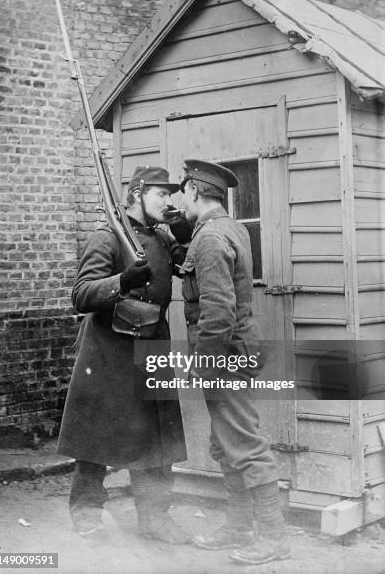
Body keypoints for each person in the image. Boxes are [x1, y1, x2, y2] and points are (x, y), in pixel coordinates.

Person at [57, 166, 192, 544]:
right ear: (136, 193)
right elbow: (80, 295)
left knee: (158, 435)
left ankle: (155, 518)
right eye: (161, 195)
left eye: (171, 195)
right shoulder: (107, 237)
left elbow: (187, 266)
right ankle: (86, 511)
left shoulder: (162, 238)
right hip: (110, 347)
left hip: (152, 341)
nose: (169, 201)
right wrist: (122, 281)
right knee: (96, 433)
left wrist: (185, 235)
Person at [179, 159, 290, 566]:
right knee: (225, 444)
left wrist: (204, 365)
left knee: (244, 444)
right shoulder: (233, 228)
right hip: (238, 349)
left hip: (223, 355)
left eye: (182, 192)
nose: (179, 199)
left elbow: (219, 311)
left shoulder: (208, 239)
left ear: (193, 190)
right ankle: (238, 527)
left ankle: (274, 537)